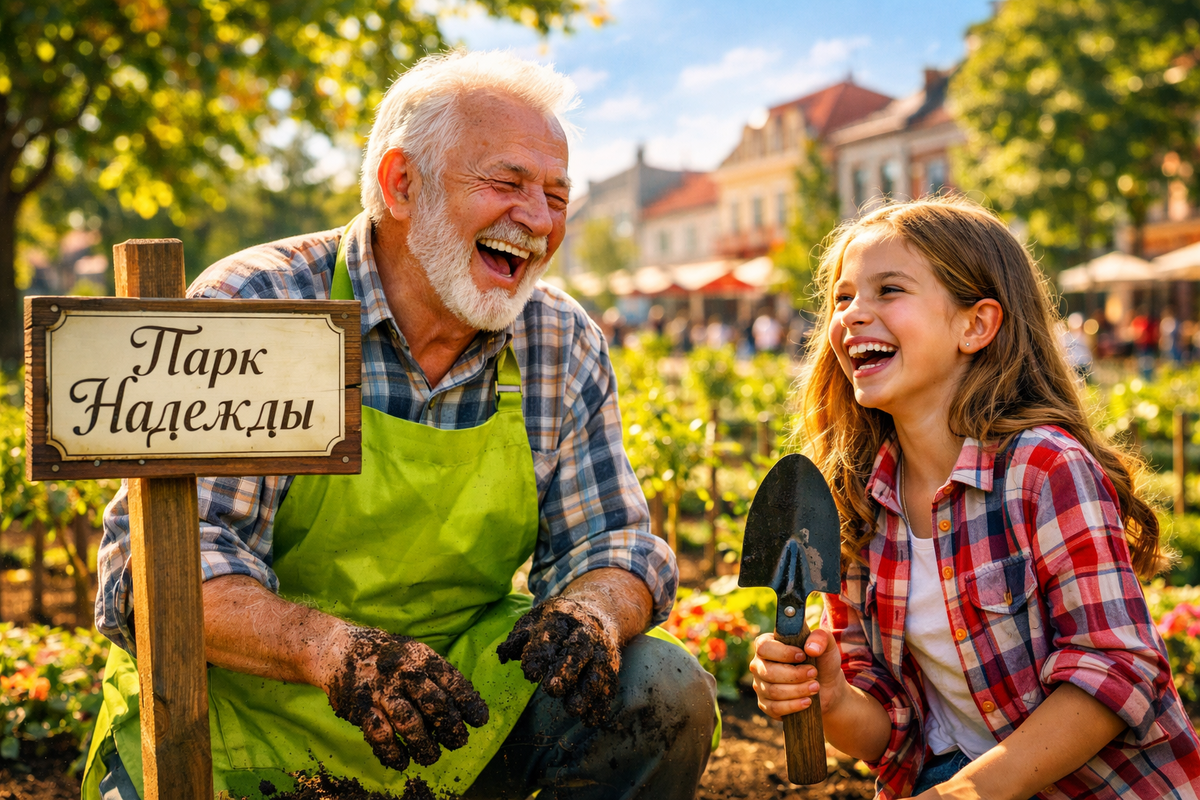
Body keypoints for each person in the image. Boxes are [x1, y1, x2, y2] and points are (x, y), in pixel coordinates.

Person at [84, 51, 715, 800]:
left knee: (659, 687)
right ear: (400, 184)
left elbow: (612, 540)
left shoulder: (559, 340)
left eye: (555, 194)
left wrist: (596, 609)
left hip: (451, 716)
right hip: (239, 718)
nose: (540, 221)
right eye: (507, 183)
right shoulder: (260, 306)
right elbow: (161, 571)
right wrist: (333, 649)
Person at [749, 197, 1200, 799]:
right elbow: (892, 735)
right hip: (943, 776)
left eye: (889, 291)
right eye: (843, 297)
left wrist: (967, 795)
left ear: (975, 325)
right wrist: (832, 698)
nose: (855, 314)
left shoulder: (1043, 469)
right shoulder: (858, 501)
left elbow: (1116, 672)